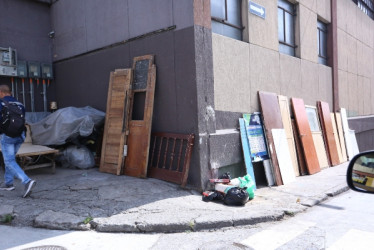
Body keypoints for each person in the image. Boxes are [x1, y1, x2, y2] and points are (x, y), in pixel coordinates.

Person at [0, 84, 36, 198]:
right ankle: (8, 183)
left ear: (1, 92)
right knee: (10, 160)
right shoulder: (20, 104)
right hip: (20, 136)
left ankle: (26, 181)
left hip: (8, 136)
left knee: (9, 161)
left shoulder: (1, 103)